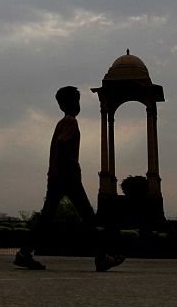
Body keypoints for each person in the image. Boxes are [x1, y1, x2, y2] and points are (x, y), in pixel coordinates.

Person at [14, 86, 124, 272]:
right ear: (70, 103)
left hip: (57, 176)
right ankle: (101, 258)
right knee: (88, 216)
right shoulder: (71, 122)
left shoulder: (61, 122)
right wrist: (73, 165)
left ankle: (24, 253)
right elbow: (63, 143)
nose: (78, 104)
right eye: (76, 101)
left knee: (47, 216)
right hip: (67, 177)